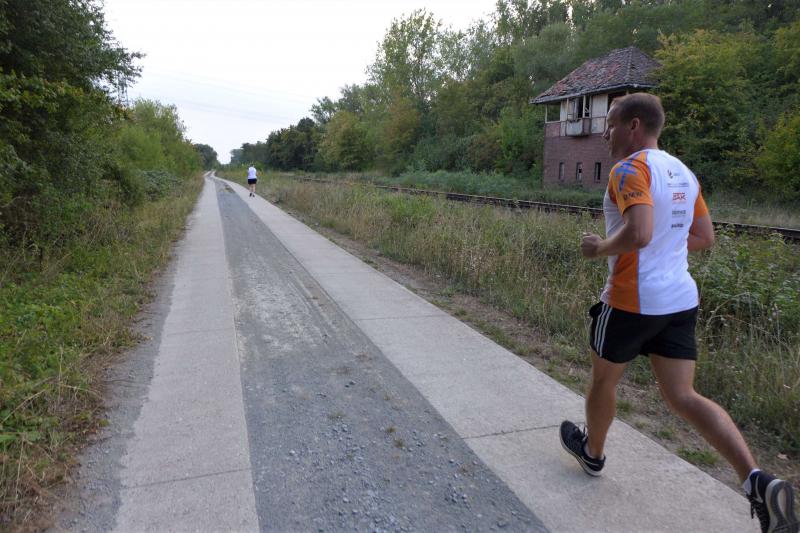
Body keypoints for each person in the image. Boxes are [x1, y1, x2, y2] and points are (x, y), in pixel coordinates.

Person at [558, 92, 798, 533]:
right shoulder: (684, 172)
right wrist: (662, 244)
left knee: (603, 381)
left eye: (611, 124)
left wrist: (600, 248)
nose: (606, 134)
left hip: (631, 300)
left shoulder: (628, 169)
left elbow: (640, 233)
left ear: (633, 126)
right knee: (683, 397)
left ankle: (593, 453)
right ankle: (757, 481)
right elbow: (704, 236)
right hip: (679, 302)